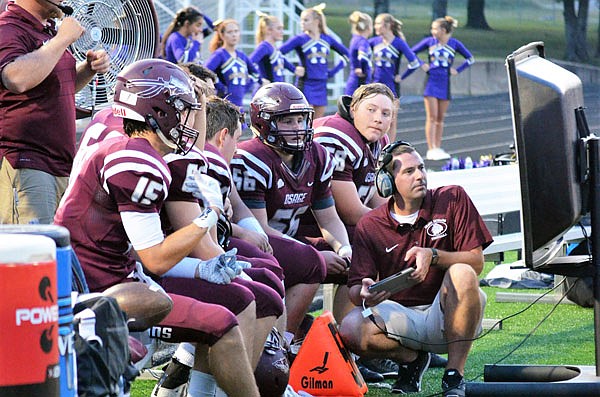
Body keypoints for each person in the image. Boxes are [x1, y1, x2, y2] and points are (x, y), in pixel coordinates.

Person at [54, 58, 263, 397]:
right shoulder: (138, 160)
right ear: (157, 110)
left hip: (100, 269)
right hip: (98, 288)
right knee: (222, 324)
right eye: (181, 109)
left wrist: (199, 269)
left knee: (222, 305)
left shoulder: (122, 138)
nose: (187, 120)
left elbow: (137, 247)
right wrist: (208, 216)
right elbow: (155, 258)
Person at [338, 141, 492, 396]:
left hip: (446, 313)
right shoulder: (370, 224)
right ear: (387, 182)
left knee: (462, 272)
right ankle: (411, 360)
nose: (420, 175)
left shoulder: (452, 198)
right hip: (400, 318)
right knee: (351, 328)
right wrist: (364, 292)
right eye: (409, 171)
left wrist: (433, 256)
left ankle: (454, 376)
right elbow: (355, 289)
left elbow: (476, 262)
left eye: (421, 168)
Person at [231, 82, 352, 343]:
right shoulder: (251, 158)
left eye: (300, 119)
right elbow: (259, 229)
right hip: (255, 243)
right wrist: (314, 254)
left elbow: (328, 217)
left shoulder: (317, 155)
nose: (298, 128)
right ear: (264, 123)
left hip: (289, 240)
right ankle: (283, 343)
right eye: (287, 121)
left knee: (359, 252)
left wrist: (344, 249)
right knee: (311, 263)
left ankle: (347, 343)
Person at [0, 0, 109, 224]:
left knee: (59, 253)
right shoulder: (8, 28)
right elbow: (16, 78)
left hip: (59, 165)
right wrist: (61, 39)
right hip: (27, 163)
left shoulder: (46, 30)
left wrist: (87, 69)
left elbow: (55, 83)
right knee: (34, 253)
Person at [409, 16, 474, 161]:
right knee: (431, 117)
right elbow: (410, 52)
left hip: (445, 83)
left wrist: (457, 70)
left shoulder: (454, 44)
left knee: (440, 118)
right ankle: (430, 148)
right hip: (431, 82)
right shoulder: (429, 42)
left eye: (434, 28)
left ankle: (437, 147)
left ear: (443, 30)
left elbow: (470, 59)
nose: (432, 31)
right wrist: (422, 64)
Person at [279, 3, 349, 119]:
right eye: (302, 20)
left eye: (306, 20)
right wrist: (293, 69)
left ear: (317, 21)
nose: (302, 23)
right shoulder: (300, 39)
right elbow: (277, 53)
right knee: (306, 119)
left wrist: (332, 72)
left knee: (318, 122)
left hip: (322, 85)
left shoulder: (327, 39)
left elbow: (346, 54)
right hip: (306, 84)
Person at [370, 13, 421, 142]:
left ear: (387, 26)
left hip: (392, 87)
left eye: (378, 23)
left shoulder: (398, 43)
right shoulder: (374, 41)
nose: (375, 26)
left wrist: (402, 76)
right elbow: (358, 52)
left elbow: (414, 63)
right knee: (373, 117)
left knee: (391, 120)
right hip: (375, 85)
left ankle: (388, 147)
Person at [205, 19, 259, 111]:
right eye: (229, 32)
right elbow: (205, 71)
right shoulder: (219, 54)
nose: (234, 35)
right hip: (223, 106)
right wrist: (221, 87)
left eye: (236, 31)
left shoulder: (242, 56)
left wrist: (245, 88)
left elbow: (255, 74)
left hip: (239, 105)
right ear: (222, 35)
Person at [249, 11, 304, 85]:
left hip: (276, 91)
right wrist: (260, 80)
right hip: (266, 92)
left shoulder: (274, 49)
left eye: (282, 28)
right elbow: (248, 63)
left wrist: (294, 69)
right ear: (268, 30)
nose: (282, 32)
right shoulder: (264, 47)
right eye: (279, 28)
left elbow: (283, 61)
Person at [344, 11, 373, 96]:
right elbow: (362, 57)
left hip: (355, 80)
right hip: (360, 81)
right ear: (368, 27)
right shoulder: (362, 41)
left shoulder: (355, 38)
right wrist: (363, 68)